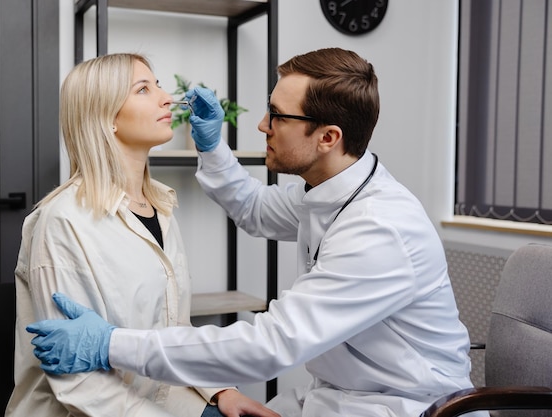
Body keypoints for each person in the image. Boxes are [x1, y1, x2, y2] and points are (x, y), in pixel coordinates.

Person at [27, 48, 481, 417]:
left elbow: (269, 343)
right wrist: (211, 145)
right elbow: (252, 207)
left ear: (328, 138)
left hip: (406, 406)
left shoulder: (382, 227)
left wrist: (113, 346)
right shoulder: (324, 194)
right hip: (341, 395)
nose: (262, 125)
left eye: (276, 115)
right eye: (144, 88)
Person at [5, 52, 279, 417]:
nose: (166, 98)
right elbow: (79, 383)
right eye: (143, 89)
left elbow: (173, 327)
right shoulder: (63, 221)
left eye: (160, 86)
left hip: (155, 395)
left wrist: (220, 391)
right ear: (107, 118)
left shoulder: (160, 207)